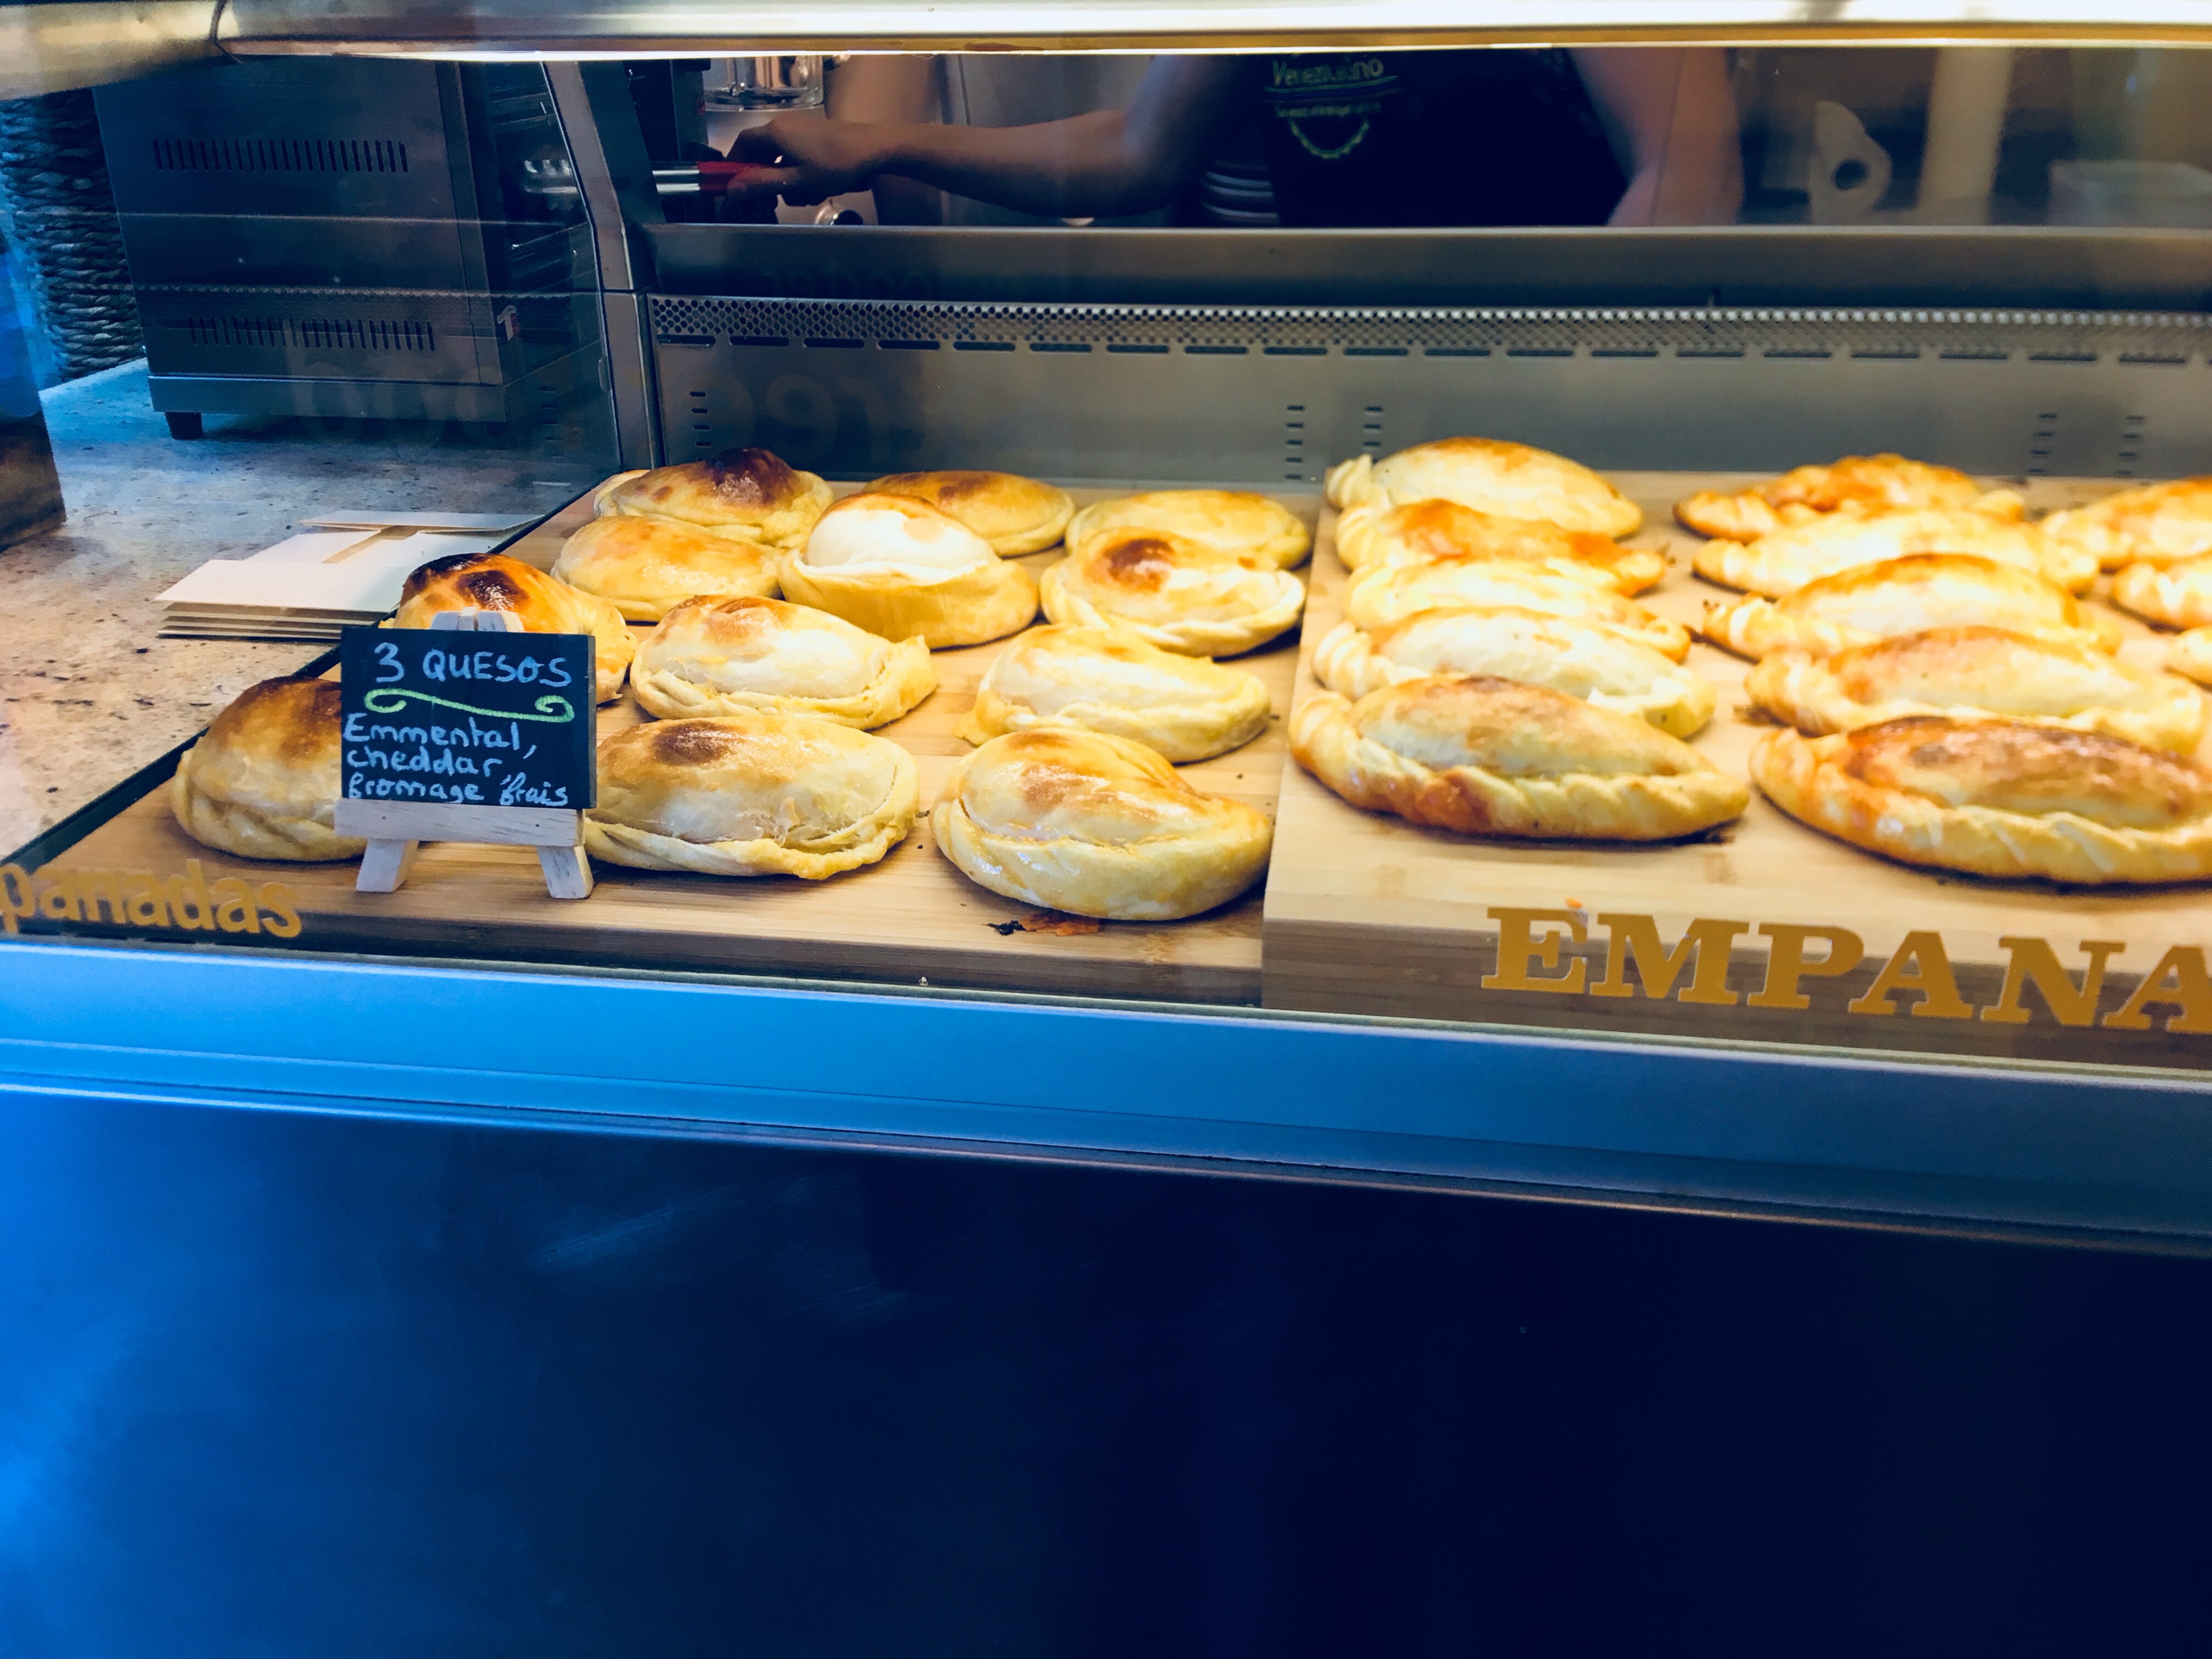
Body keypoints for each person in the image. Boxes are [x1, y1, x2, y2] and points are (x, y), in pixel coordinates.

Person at [732, 49, 1743, 228]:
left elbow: (1690, 171)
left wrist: (1581, 374)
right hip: (1325, 365)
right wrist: (887, 144)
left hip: (1536, 358)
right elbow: (1138, 153)